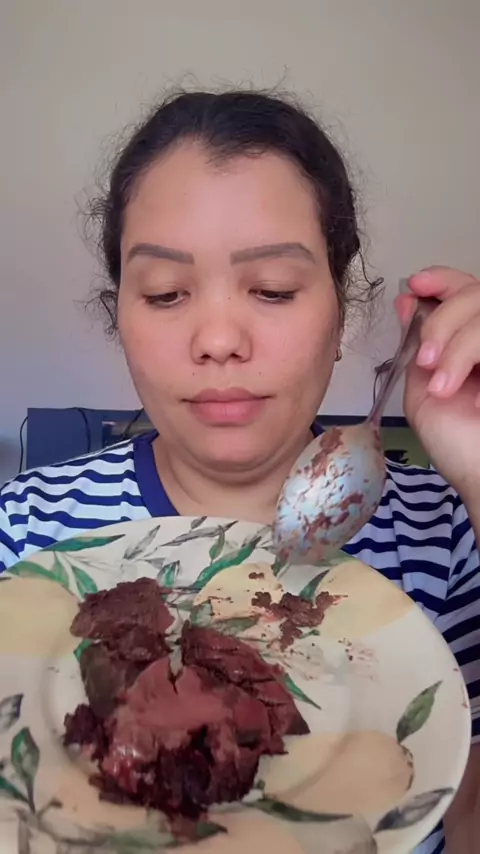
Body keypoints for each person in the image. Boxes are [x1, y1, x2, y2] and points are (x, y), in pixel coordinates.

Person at [1, 89, 479, 852]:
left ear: (341, 309)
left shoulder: (450, 534)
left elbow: (468, 818)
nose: (219, 338)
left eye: (273, 290)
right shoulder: (22, 532)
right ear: (119, 313)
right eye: (165, 293)